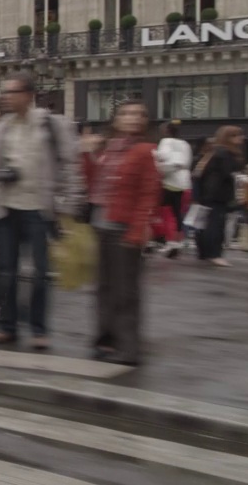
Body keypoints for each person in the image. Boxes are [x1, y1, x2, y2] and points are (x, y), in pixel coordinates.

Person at [0, 72, 83, 349]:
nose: (6, 97)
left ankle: (38, 328)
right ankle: (7, 326)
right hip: (5, 209)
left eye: (12, 92)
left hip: (39, 210)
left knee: (41, 272)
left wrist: (70, 206)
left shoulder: (53, 125)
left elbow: (70, 165)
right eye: (4, 92)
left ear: (29, 95)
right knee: (6, 270)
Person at [89, 100, 160, 366]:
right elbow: (93, 183)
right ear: (116, 120)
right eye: (126, 113)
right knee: (104, 288)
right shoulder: (109, 148)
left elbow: (148, 194)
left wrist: (138, 229)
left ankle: (129, 348)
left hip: (124, 228)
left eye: (138, 114)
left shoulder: (144, 151)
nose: (132, 118)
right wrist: (87, 154)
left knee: (125, 292)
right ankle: (106, 339)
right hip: (101, 224)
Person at [196, 125, 244, 267]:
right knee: (216, 224)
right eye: (236, 135)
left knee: (208, 223)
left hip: (210, 193)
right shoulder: (225, 154)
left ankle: (206, 253)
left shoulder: (214, 152)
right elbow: (228, 173)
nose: (241, 138)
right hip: (218, 194)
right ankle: (214, 254)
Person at [154, 121, 193, 258]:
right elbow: (187, 162)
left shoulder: (166, 142)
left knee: (167, 213)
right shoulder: (185, 144)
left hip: (170, 182)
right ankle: (178, 242)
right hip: (185, 183)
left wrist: (156, 158)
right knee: (179, 214)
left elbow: (162, 157)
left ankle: (171, 242)